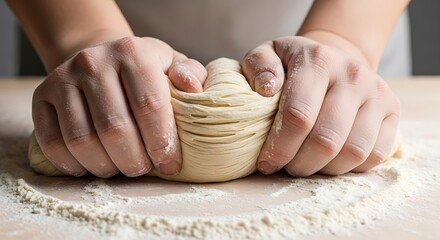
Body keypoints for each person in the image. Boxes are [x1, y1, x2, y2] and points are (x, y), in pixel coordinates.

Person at [7, 0, 408, 178]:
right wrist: (85, 35)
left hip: (343, 48)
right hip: (88, 47)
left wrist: (342, 40)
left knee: (342, 126)